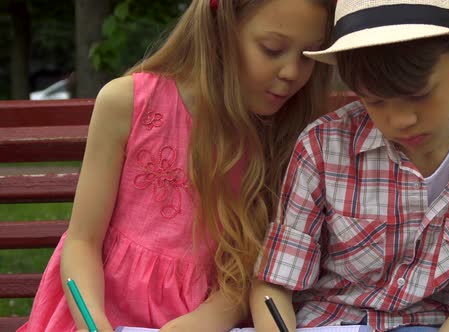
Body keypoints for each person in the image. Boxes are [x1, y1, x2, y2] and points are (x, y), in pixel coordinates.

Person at [18, 0, 334, 331]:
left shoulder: (288, 136)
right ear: (219, 32)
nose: (292, 73)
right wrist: (92, 321)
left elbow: (250, 271)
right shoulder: (128, 103)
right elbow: (82, 241)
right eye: (272, 49)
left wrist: (195, 325)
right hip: (98, 313)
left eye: (308, 56)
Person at [251, 1, 449, 331]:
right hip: (332, 322)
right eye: (376, 100)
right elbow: (275, 283)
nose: (401, 120)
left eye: (420, 95)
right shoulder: (323, 146)